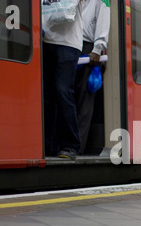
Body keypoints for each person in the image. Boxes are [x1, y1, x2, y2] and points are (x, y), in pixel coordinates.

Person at [43, 0, 88, 159]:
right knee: (47, 96)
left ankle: (71, 145)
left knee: (63, 91)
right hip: (46, 39)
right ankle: (48, 145)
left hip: (68, 43)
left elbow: (67, 12)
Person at [75, 0, 111, 155]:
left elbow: (104, 19)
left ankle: (78, 147)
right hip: (72, 44)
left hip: (89, 48)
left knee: (84, 102)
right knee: (71, 99)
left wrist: (98, 48)